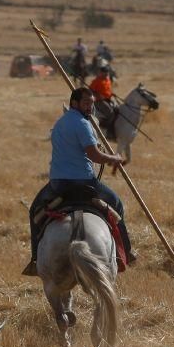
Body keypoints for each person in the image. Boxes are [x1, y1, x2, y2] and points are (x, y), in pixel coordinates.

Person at [23, 86, 135, 276]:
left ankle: (35, 259)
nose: (90, 107)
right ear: (74, 103)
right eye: (86, 103)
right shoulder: (83, 124)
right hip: (83, 182)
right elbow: (93, 155)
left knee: (35, 210)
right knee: (116, 203)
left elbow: (75, 147)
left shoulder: (60, 123)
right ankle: (126, 253)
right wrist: (113, 158)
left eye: (92, 103)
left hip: (58, 183)